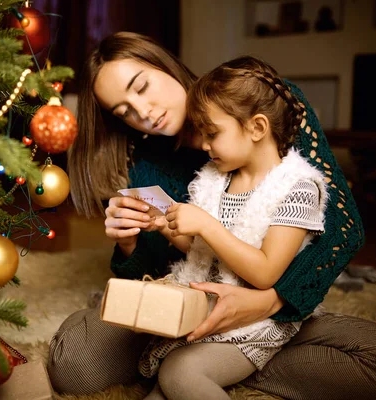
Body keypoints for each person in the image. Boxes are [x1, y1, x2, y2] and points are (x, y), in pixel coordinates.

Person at [49, 32, 376, 399]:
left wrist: (272, 301)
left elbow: (342, 231)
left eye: (141, 86)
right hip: (194, 305)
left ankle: (212, 365)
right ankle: (208, 366)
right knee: (75, 363)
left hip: (269, 305)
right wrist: (129, 244)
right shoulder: (148, 163)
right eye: (123, 111)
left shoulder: (266, 101)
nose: (141, 112)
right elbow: (170, 269)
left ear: (165, 65)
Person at [138, 56, 329, 400]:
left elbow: (266, 272)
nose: (205, 146)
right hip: (205, 311)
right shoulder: (214, 180)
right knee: (161, 390)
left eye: (212, 133)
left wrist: (208, 226)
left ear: (257, 128)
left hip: (256, 325)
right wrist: (165, 226)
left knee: (180, 372)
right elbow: (200, 250)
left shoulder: (297, 187)